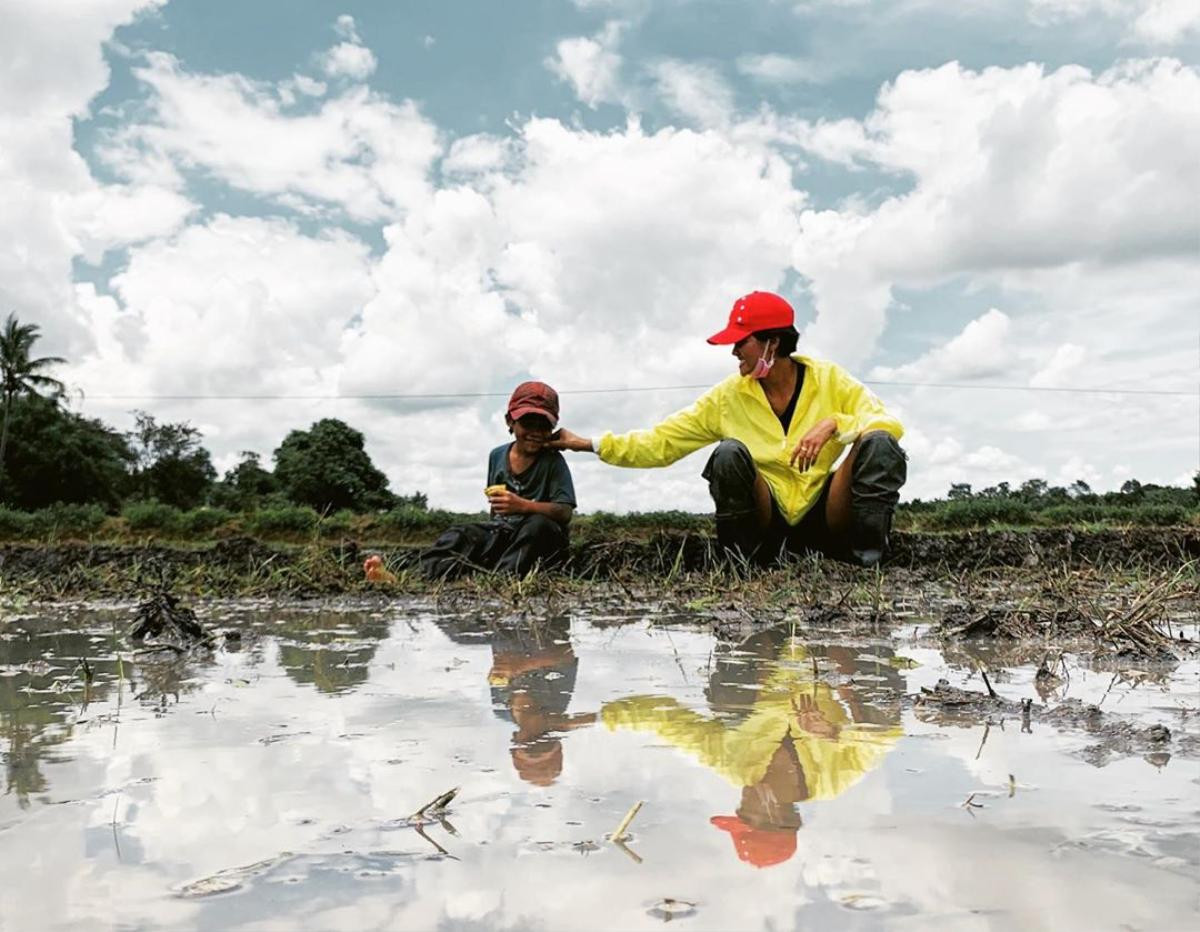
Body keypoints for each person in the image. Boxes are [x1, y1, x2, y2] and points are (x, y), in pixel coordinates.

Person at [551, 291, 907, 566]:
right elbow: (660, 443)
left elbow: (886, 423)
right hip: (767, 519)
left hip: (826, 513)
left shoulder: (830, 379)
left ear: (773, 342)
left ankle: (867, 561)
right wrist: (588, 443)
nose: (734, 352)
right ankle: (741, 563)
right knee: (728, 453)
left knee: (879, 443)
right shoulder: (727, 397)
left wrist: (834, 424)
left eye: (742, 342)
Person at [420, 381, 576, 579]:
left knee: (538, 525)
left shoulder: (553, 460)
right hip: (506, 533)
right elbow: (496, 509)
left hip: (541, 542)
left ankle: (501, 579)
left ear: (553, 427)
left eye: (543, 426)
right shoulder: (497, 456)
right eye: (528, 423)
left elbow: (564, 512)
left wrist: (523, 506)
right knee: (461, 534)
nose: (535, 432)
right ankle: (421, 574)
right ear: (510, 421)